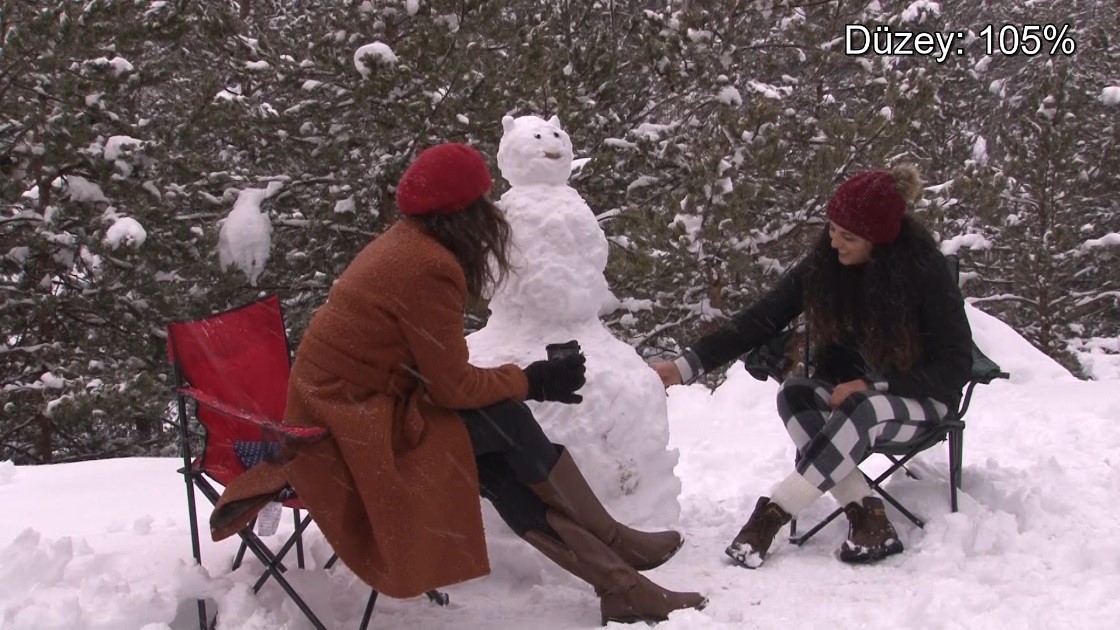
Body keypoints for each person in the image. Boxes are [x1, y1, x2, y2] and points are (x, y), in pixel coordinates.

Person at [211, 143, 705, 624]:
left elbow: (435, 376)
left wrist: (527, 384)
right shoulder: (427, 267)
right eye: (484, 202)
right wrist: (531, 381)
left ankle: (618, 575)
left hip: (352, 412)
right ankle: (616, 560)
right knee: (506, 424)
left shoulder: (408, 245)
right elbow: (451, 388)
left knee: (495, 454)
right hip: (342, 434)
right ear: (466, 214)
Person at [651, 164, 972, 568]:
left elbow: (956, 364)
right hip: (861, 401)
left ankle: (771, 516)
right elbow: (762, 317)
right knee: (795, 393)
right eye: (833, 228)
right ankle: (870, 520)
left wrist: (877, 386)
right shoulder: (828, 263)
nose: (835, 241)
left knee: (863, 407)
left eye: (849, 236)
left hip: (922, 397)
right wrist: (684, 367)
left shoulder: (924, 273)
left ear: (879, 240)